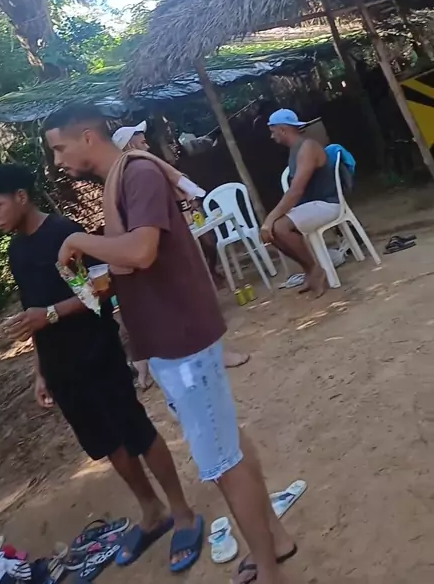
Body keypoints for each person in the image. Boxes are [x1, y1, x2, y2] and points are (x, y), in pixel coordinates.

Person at [43, 103, 297, 584]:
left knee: (223, 462)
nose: (57, 160)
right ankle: (276, 540)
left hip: (182, 342)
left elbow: (142, 251)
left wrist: (79, 241)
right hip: (169, 342)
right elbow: (132, 258)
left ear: (88, 138)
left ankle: (269, 570)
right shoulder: (119, 179)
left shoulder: (137, 175)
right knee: (229, 444)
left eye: (60, 148)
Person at [0, 164, 201, 573]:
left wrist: (51, 315)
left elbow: (100, 293)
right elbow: (33, 316)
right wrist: (40, 371)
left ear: (21, 196)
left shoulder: (64, 234)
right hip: (62, 370)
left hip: (97, 354)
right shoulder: (16, 252)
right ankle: (152, 511)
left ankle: (182, 512)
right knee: (106, 442)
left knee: (136, 431)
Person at [111, 122, 248, 369]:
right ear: (130, 145)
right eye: (141, 140)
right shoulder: (140, 173)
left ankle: (212, 354)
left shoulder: (134, 174)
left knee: (189, 303)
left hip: (165, 252)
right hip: (164, 255)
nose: (146, 145)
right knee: (192, 302)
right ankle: (216, 355)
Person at [261, 109, 340, 299]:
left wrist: (269, 219)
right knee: (272, 232)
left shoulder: (308, 147)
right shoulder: (296, 149)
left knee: (278, 227)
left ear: (282, 129)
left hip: (326, 204)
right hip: (312, 206)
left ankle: (315, 270)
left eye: (273, 131)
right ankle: (310, 270)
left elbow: (296, 191)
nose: (271, 136)